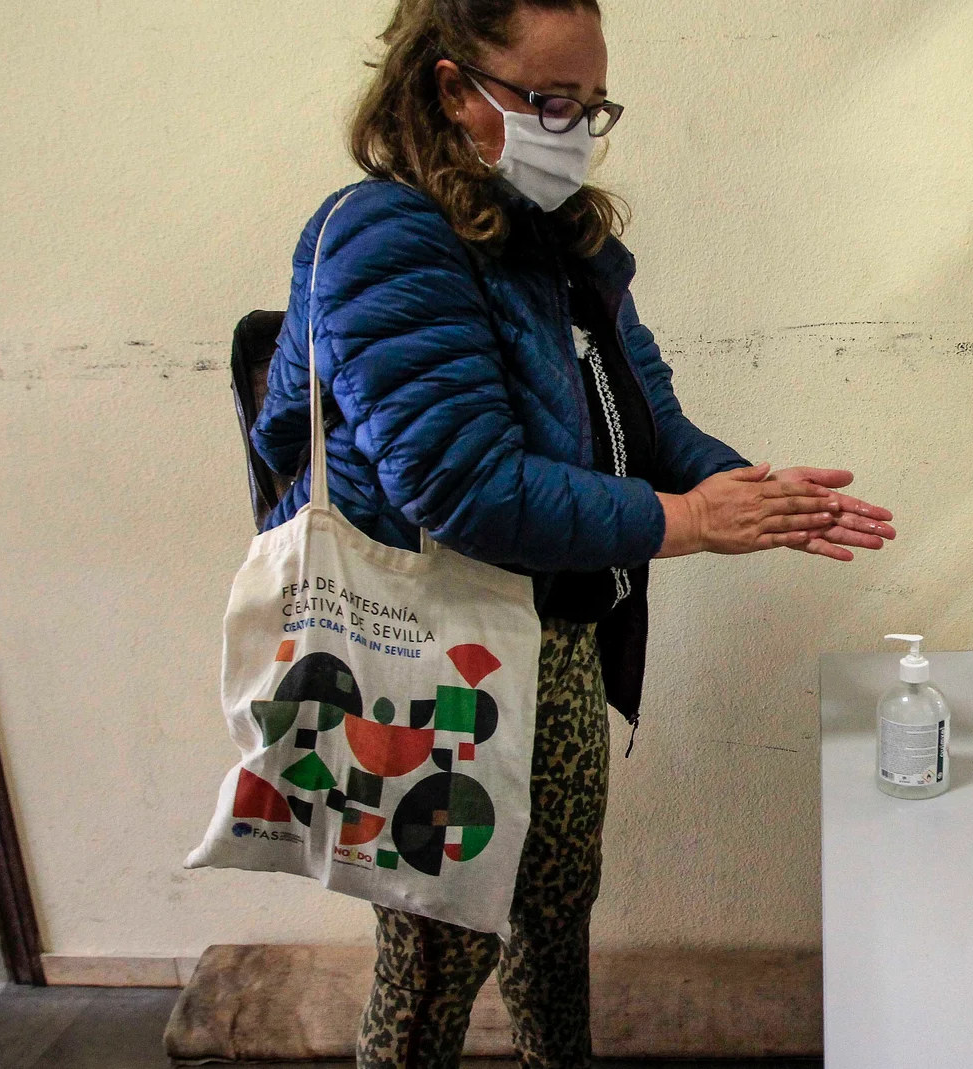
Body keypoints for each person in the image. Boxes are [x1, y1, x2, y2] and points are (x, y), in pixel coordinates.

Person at [248, 1, 897, 1065]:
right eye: (549, 100)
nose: (575, 127)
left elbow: (646, 421)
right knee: (438, 956)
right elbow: (458, 482)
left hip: (548, 635)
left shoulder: (562, 241)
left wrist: (751, 490)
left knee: (554, 908)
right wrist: (683, 523)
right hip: (431, 656)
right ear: (453, 89)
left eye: (592, 104)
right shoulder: (385, 236)